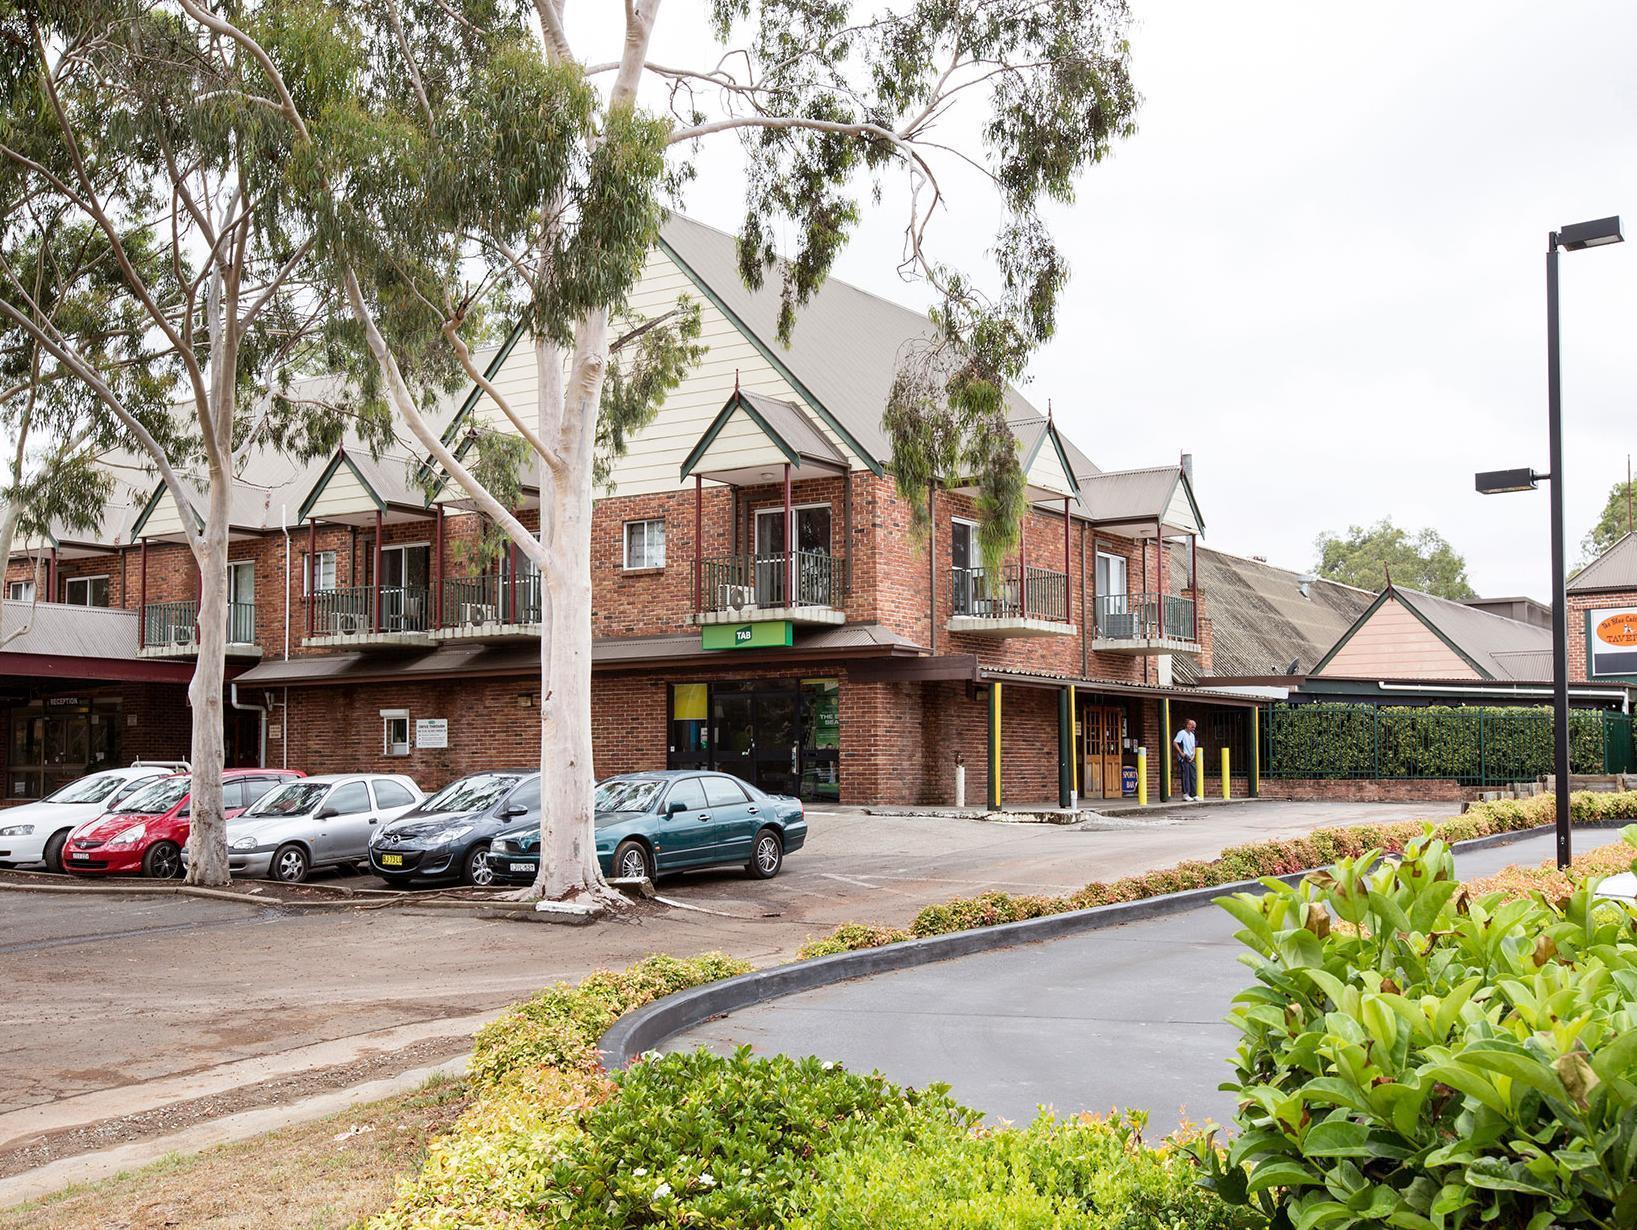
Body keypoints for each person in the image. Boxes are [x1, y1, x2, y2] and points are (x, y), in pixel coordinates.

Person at [1173, 718, 1198, 802]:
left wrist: (1193, 755)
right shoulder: (1182, 733)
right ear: (1187, 725)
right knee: (1186, 775)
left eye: (1194, 726)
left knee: (1193, 776)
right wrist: (1181, 753)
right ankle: (1186, 794)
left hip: (1191, 756)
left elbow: (1193, 746)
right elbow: (1175, 742)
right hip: (1185, 756)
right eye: (1192, 726)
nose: (1193, 728)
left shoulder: (1192, 735)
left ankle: (1193, 794)